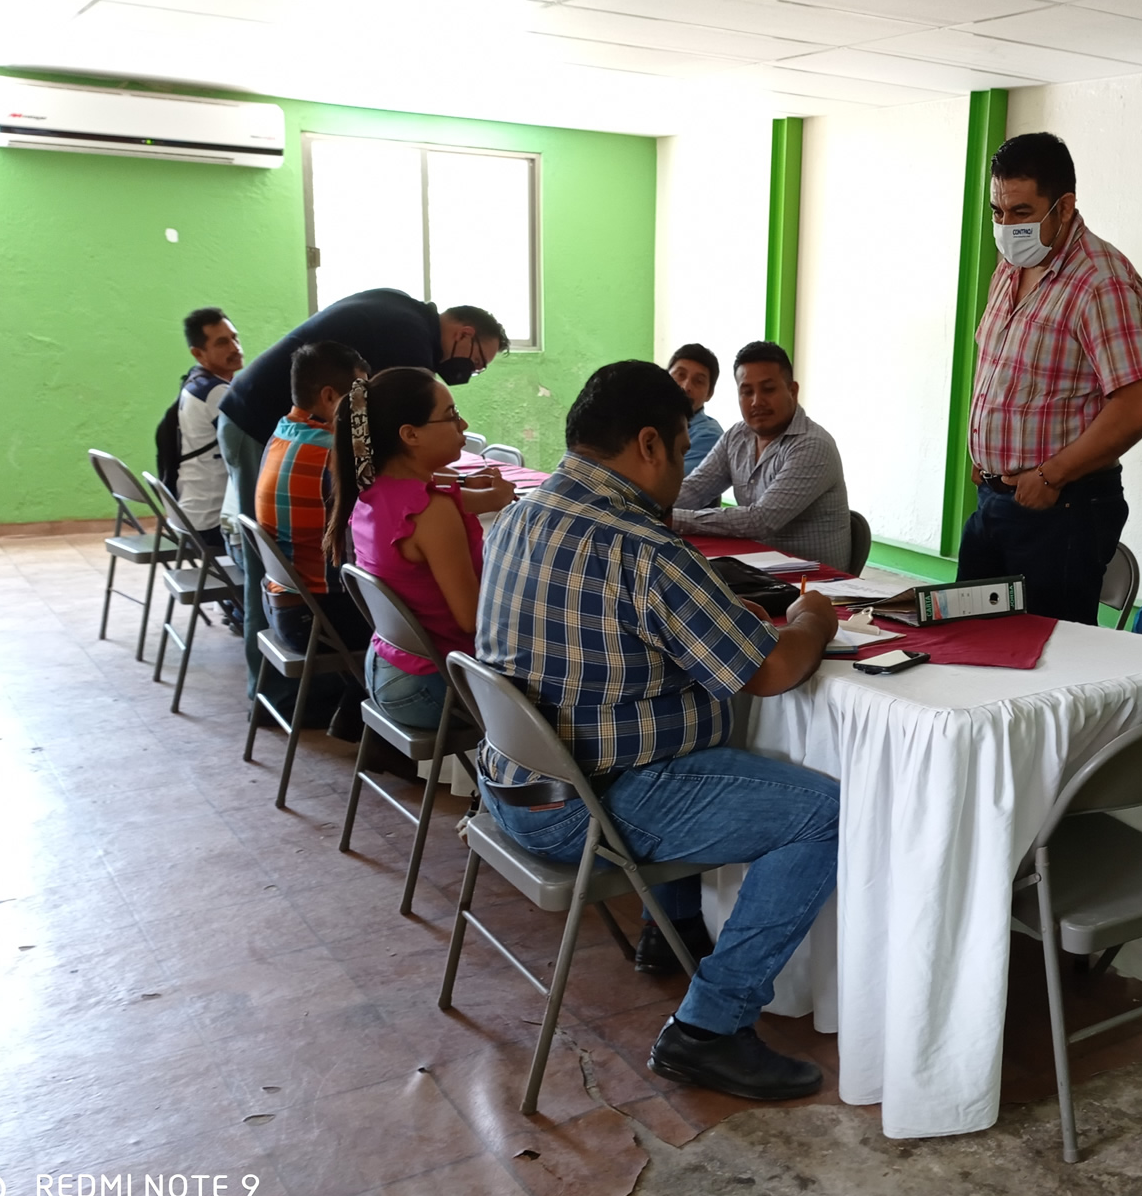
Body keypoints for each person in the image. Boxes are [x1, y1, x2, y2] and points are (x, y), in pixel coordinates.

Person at [476, 360, 841, 1101]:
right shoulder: (643, 549)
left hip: (511, 788)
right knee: (823, 812)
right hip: (584, 810)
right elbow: (771, 671)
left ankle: (667, 930)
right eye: (679, 450)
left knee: (686, 739)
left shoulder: (518, 516)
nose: (681, 470)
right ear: (648, 444)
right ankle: (709, 1029)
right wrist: (813, 618)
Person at [216, 289, 505, 705]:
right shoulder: (408, 341)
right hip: (342, 629)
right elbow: (470, 616)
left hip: (373, 651)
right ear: (464, 333)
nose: (462, 423)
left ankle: (304, 694)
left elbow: (398, 460)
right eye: (477, 362)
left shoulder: (355, 477)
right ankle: (277, 693)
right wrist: (468, 496)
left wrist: (450, 485)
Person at [961, 132, 1142, 624]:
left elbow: (1140, 404)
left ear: (1065, 206)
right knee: (967, 643)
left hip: (1061, 506)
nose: (1006, 227)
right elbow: (1005, 371)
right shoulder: (1011, 269)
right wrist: (988, 457)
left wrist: (1051, 474)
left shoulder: (1101, 281)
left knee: (1045, 658)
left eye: (1022, 212)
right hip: (995, 500)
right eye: (997, 212)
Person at [325, 367, 513, 733]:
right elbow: (472, 620)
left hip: (387, 668)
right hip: (428, 687)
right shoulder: (431, 512)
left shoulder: (373, 489)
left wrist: (487, 494)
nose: (463, 424)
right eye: (451, 415)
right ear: (410, 434)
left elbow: (450, 496)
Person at [254, 340, 372, 737]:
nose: (366, 409)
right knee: (419, 617)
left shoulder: (284, 432)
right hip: (316, 620)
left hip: (282, 603)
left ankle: (358, 715)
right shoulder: (331, 454)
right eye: (361, 397)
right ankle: (368, 724)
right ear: (329, 397)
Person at [672, 341, 850, 569]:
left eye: (768, 389)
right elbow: (695, 489)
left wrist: (672, 518)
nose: (757, 401)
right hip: (756, 569)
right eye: (747, 392)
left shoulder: (812, 445)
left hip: (813, 582)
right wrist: (647, 507)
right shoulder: (736, 436)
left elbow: (761, 520)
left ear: (793, 391)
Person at [176, 307, 245, 629]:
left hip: (189, 514)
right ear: (198, 353)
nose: (235, 347)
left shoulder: (195, 383)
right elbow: (250, 446)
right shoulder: (216, 392)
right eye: (222, 343)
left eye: (234, 338)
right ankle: (249, 612)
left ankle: (236, 602)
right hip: (210, 521)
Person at [668, 342, 724, 474]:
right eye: (680, 375)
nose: (686, 387)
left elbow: (669, 482)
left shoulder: (708, 437)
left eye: (698, 381)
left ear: (709, 394)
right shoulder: (647, 418)